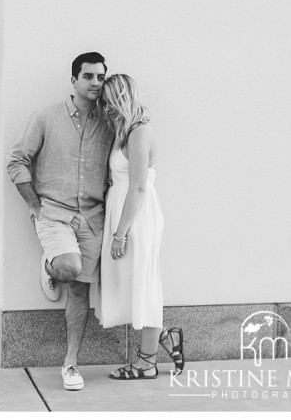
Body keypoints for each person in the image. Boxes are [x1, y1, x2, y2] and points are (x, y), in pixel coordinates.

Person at [6, 52, 114, 391]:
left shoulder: (109, 123)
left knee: (80, 291)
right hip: (53, 213)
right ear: (73, 80)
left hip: (93, 218)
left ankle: (70, 365)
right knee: (68, 268)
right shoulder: (45, 118)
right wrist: (34, 204)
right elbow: (16, 162)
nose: (95, 83)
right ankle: (52, 263)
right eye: (88, 76)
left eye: (100, 77)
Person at [92, 73, 184, 380]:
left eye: (108, 102)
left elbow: (138, 188)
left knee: (144, 284)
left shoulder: (140, 133)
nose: (104, 108)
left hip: (137, 217)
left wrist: (121, 233)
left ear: (121, 99)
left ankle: (147, 362)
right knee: (131, 283)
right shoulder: (125, 132)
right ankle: (165, 338)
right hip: (124, 213)